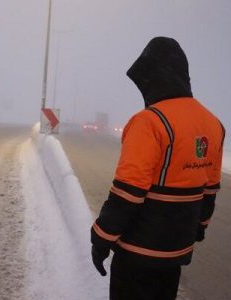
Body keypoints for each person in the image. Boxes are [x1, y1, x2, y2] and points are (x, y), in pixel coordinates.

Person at [90, 36, 226, 300]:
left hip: (138, 253)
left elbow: (128, 192)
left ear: (154, 77)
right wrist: (200, 226)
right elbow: (210, 188)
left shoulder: (149, 122)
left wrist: (102, 238)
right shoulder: (213, 124)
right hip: (175, 253)